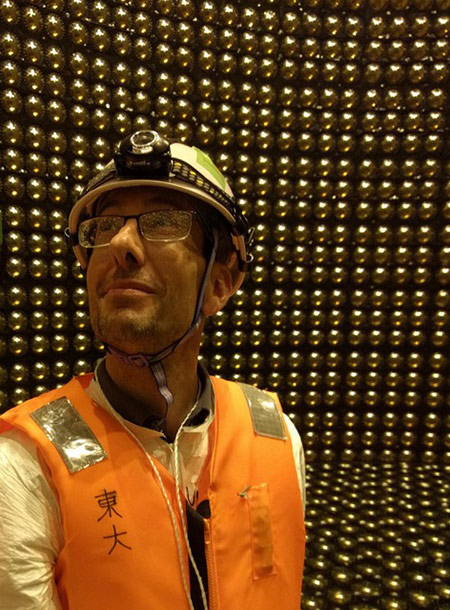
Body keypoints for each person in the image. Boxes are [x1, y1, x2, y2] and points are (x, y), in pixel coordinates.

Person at [0, 130, 306, 610]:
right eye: (104, 228)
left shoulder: (277, 436)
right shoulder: (21, 464)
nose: (121, 244)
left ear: (220, 284)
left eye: (163, 222)